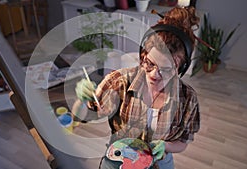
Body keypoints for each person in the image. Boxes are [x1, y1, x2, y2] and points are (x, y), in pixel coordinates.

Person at [72, 6, 200, 169]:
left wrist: (166, 146)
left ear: (181, 69)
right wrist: (82, 101)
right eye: (149, 63)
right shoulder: (119, 82)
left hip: (159, 163)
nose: (154, 74)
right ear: (143, 55)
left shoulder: (187, 99)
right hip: (118, 159)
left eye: (166, 70)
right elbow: (82, 117)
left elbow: (183, 142)